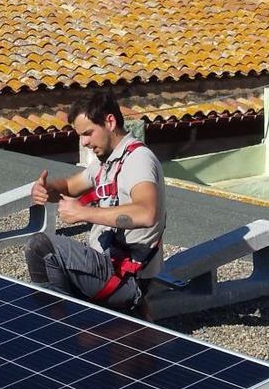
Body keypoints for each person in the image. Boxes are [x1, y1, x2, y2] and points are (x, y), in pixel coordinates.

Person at [27, 91, 166, 317]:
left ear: (110, 122)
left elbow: (146, 213)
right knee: (52, 268)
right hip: (108, 267)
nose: (84, 142)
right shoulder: (109, 161)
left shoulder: (138, 160)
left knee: (41, 247)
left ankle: (59, 333)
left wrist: (83, 213)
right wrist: (47, 190)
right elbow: (72, 185)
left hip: (123, 276)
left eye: (88, 133)